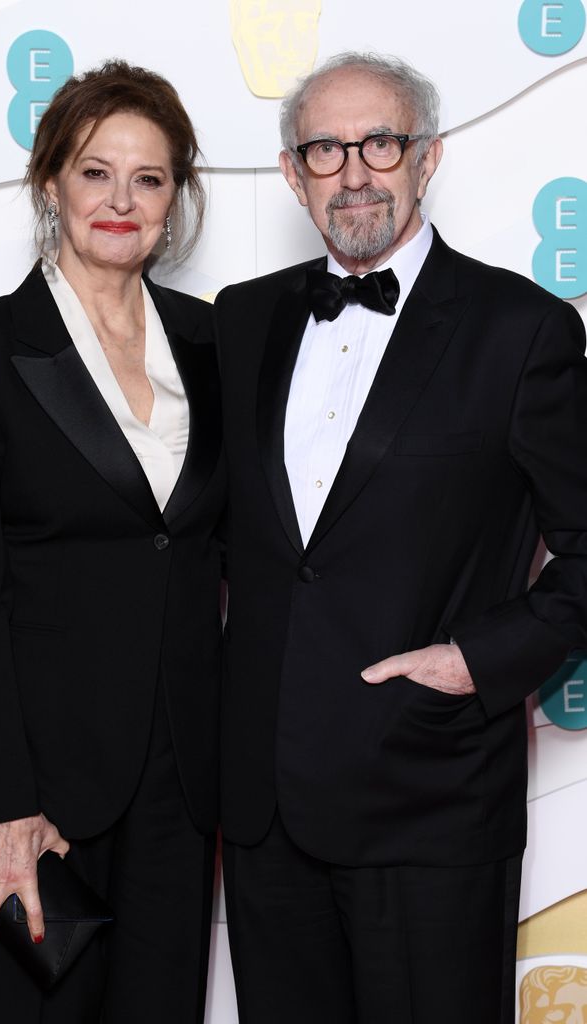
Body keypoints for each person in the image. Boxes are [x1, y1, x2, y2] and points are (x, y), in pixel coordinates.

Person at [214, 51, 587, 1023]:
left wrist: (477, 659)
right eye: (324, 149)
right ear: (292, 173)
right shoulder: (240, 322)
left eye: (378, 141)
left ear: (426, 157)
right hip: (263, 813)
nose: (353, 171)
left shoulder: (522, 329)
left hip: (430, 795)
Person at [0, 60, 224, 1024]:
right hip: (28, 785)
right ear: (51, 183)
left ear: (176, 199)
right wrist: (5, 801)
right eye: (95, 172)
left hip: (180, 779)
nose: (120, 200)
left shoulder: (217, 343)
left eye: (149, 178)